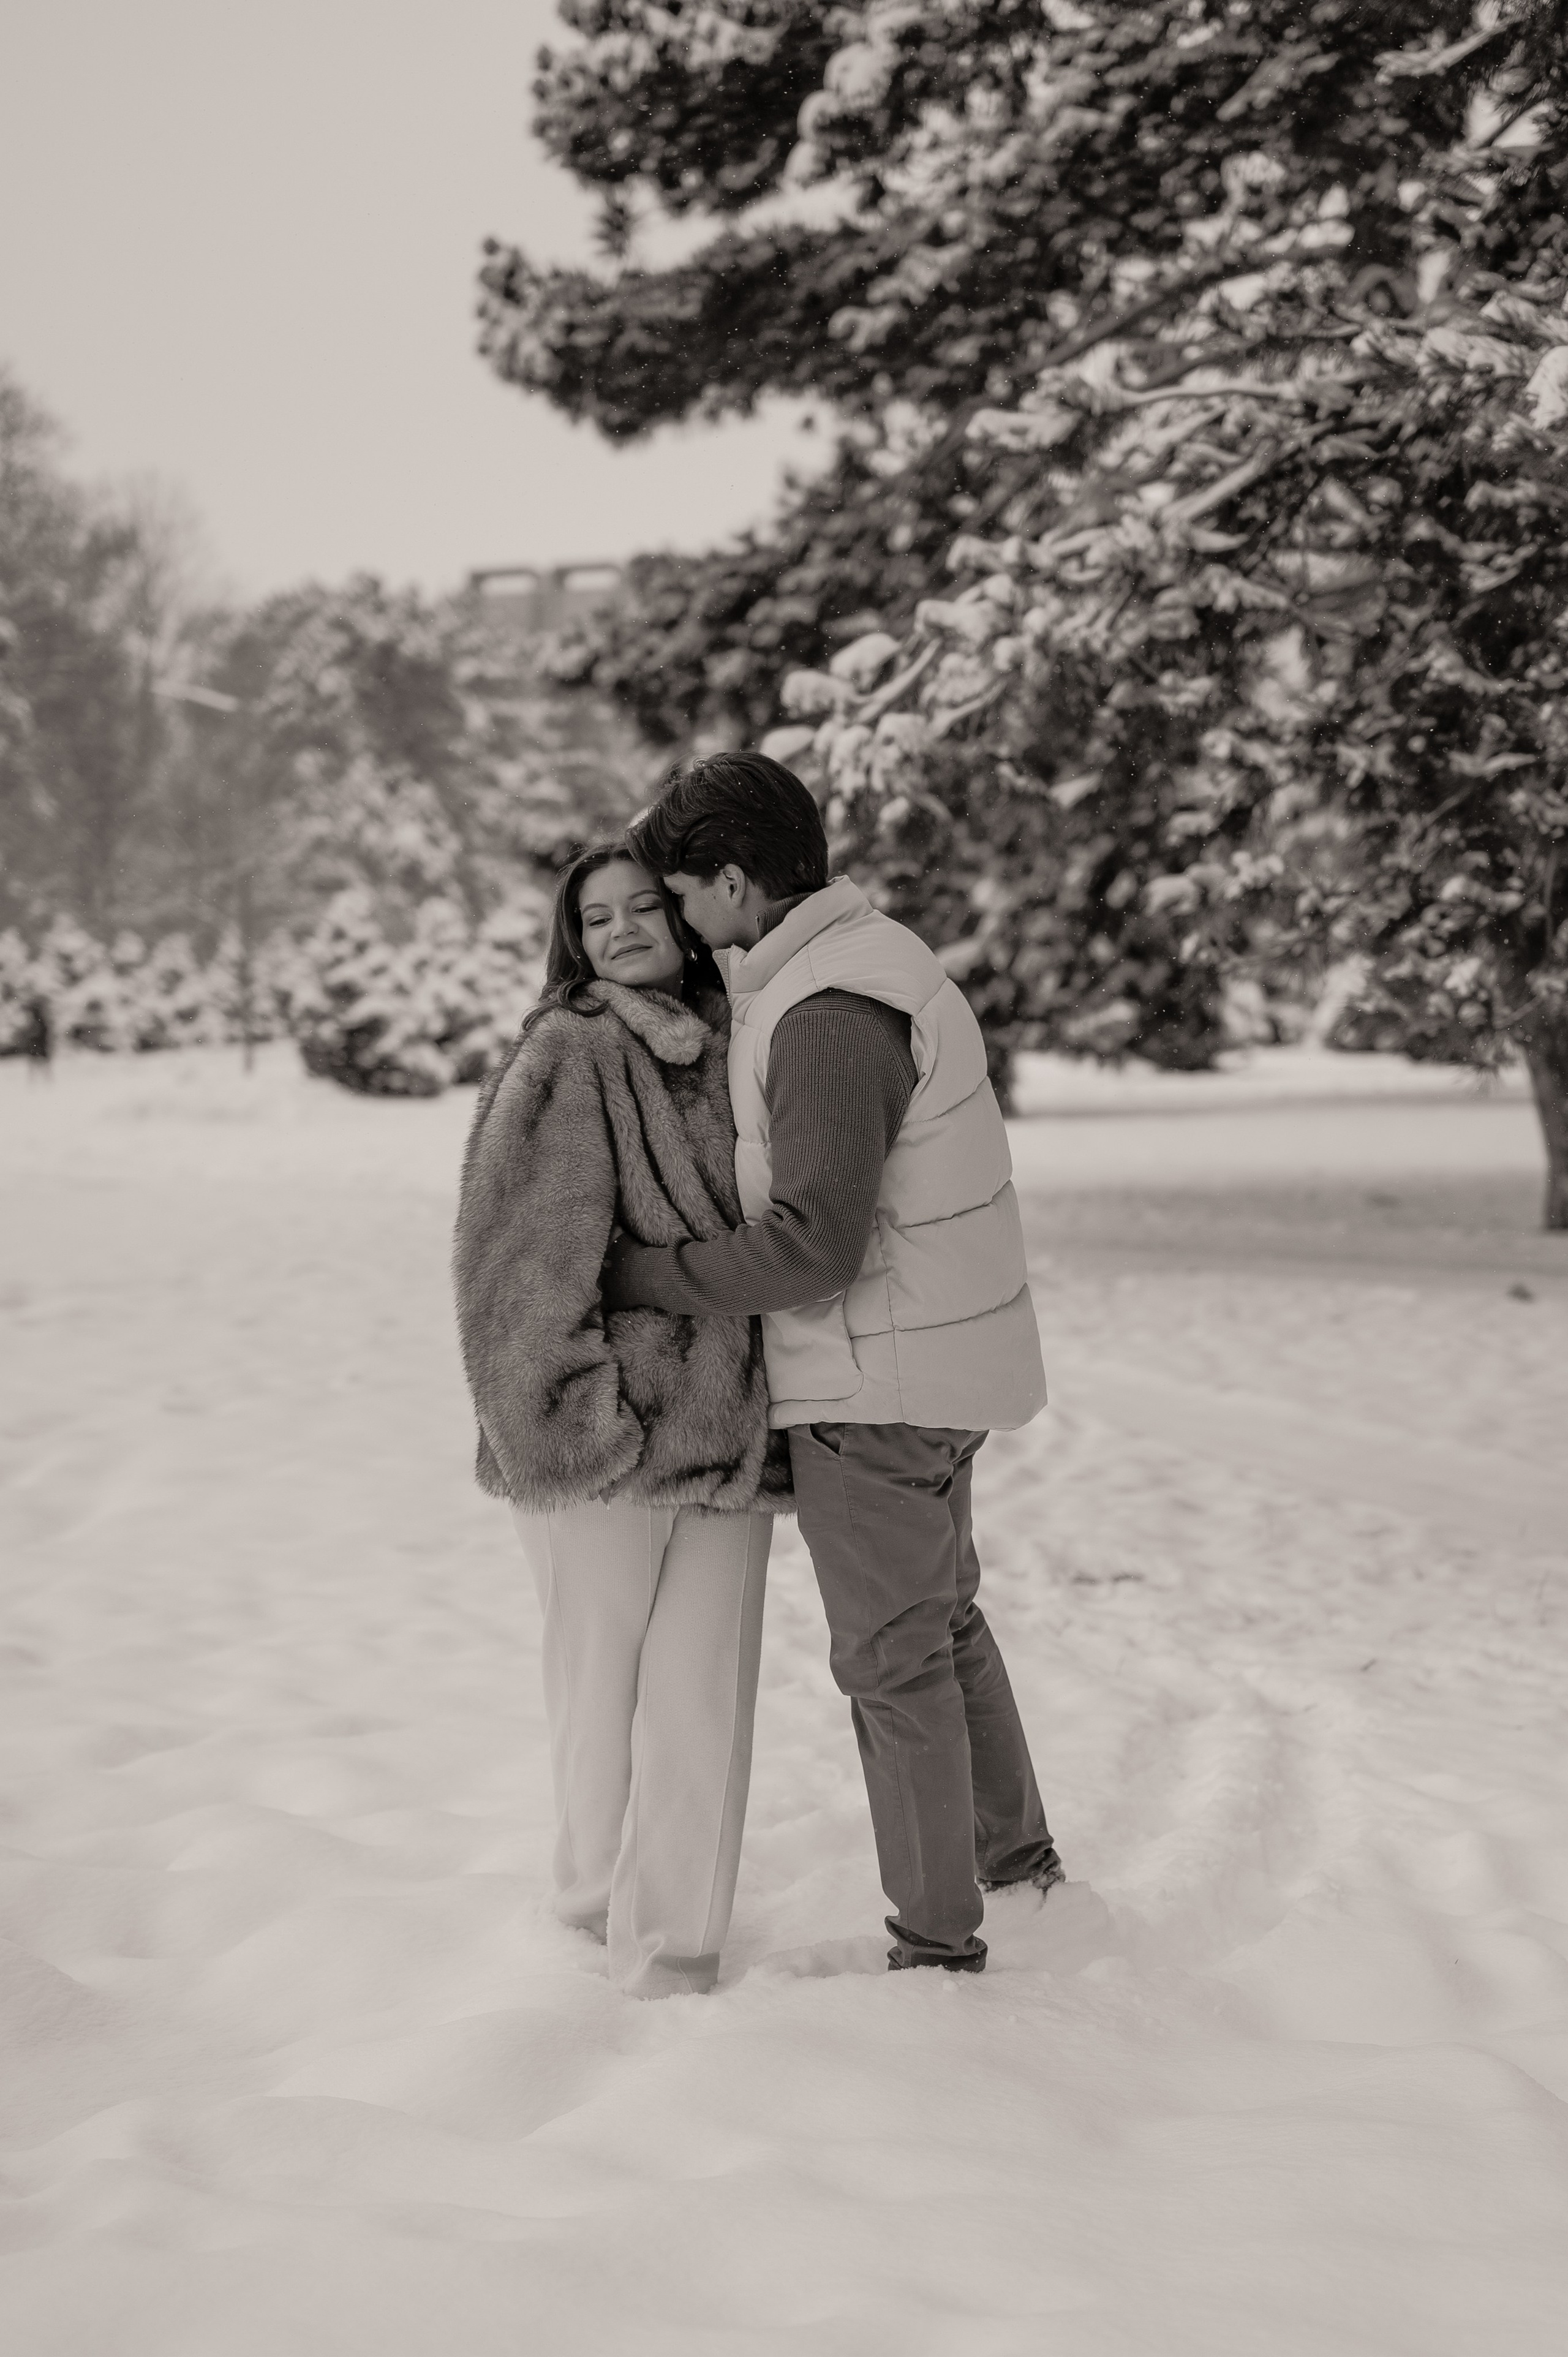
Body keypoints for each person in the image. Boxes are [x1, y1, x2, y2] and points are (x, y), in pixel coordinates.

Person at [602, 753, 1061, 1975]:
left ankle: (935, 1943)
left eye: (681, 894)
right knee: (941, 1620)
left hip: (880, 1379)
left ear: (738, 883)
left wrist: (637, 1275)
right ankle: (1018, 1869)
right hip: (930, 1363)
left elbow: (811, 1246)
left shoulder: (822, 1015)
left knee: (889, 1658)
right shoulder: (860, 960)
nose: (675, 921)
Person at [453, 843, 790, 1999]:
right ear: (577, 943)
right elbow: (518, 1265)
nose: (628, 928)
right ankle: (592, 1916)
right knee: (599, 1691)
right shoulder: (571, 1051)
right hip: (606, 1440)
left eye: (647, 907)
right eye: (600, 918)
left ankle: (678, 1950)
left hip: (734, 1435)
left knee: (704, 1696)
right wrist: (570, 1429)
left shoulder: (743, 1042)